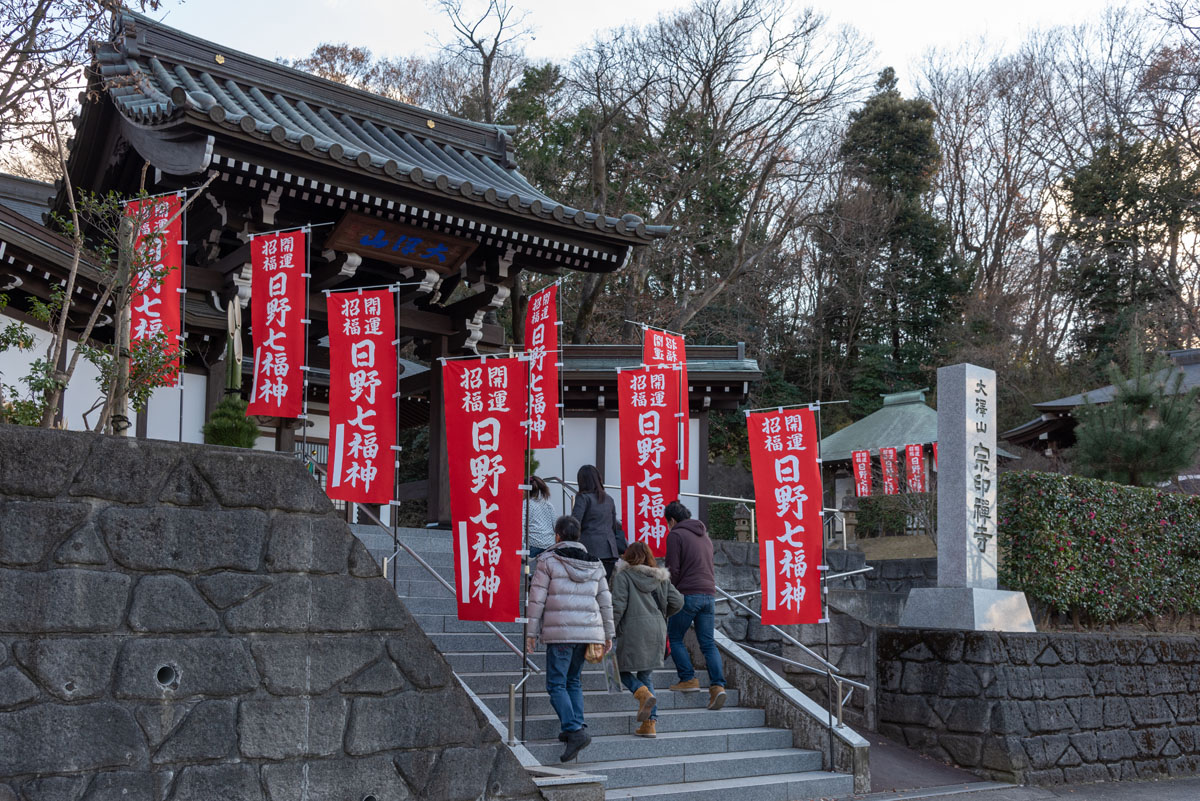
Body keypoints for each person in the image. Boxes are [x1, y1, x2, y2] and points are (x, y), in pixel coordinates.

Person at [525, 514, 615, 762]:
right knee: (573, 681)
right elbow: (605, 602)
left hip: (561, 632)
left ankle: (574, 730)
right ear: (578, 537)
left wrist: (530, 634)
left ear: (557, 536)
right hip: (588, 632)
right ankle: (574, 726)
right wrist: (609, 634)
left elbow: (536, 600)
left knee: (556, 684)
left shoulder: (547, 560)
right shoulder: (596, 563)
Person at [610, 541, 683, 738]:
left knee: (620, 670)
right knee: (645, 675)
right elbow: (678, 601)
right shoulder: (660, 578)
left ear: (628, 557)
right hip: (657, 630)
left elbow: (617, 606)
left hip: (632, 630)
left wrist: (609, 631)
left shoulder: (624, 576)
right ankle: (650, 724)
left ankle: (642, 693)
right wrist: (662, 615)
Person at [664, 500, 726, 711]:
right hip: (709, 595)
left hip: (689, 594)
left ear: (672, 520)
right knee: (708, 643)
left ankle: (688, 678)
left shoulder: (676, 535)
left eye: (667, 523)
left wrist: (668, 593)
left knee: (674, 637)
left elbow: (673, 569)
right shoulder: (704, 536)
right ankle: (718, 686)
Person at [571, 464, 627, 581]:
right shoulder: (609, 499)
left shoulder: (583, 498)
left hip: (590, 550)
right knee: (603, 589)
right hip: (610, 551)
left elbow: (574, 524)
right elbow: (613, 525)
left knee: (589, 589)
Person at [522, 476, 557, 561]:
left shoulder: (525, 504)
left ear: (526, 491)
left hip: (533, 544)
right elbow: (555, 525)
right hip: (549, 545)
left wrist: (522, 546)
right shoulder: (548, 504)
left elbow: (521, 525)